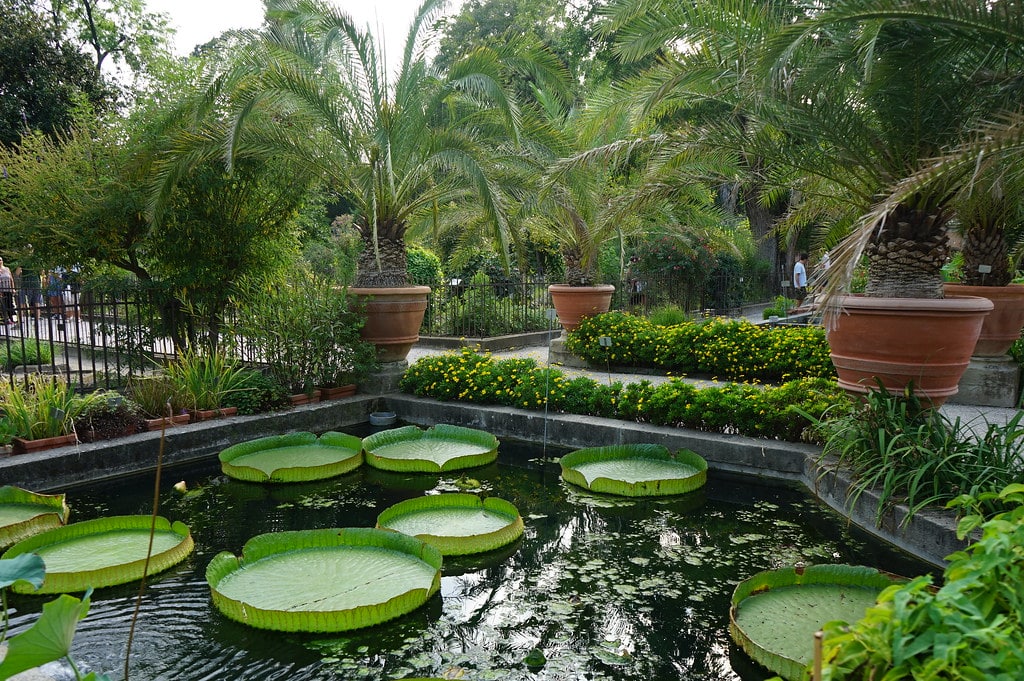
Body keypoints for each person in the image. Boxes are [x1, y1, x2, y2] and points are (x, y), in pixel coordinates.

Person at [0, 258, 15, 325]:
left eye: (0, 260)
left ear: (2, 261)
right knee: (4, 305)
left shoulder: (7, 269)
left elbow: (11, 279)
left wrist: (13, 288)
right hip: (2, 290)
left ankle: (12, 318)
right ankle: (6, 319)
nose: (0, 261)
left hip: (8, 289)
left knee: (10, 304)